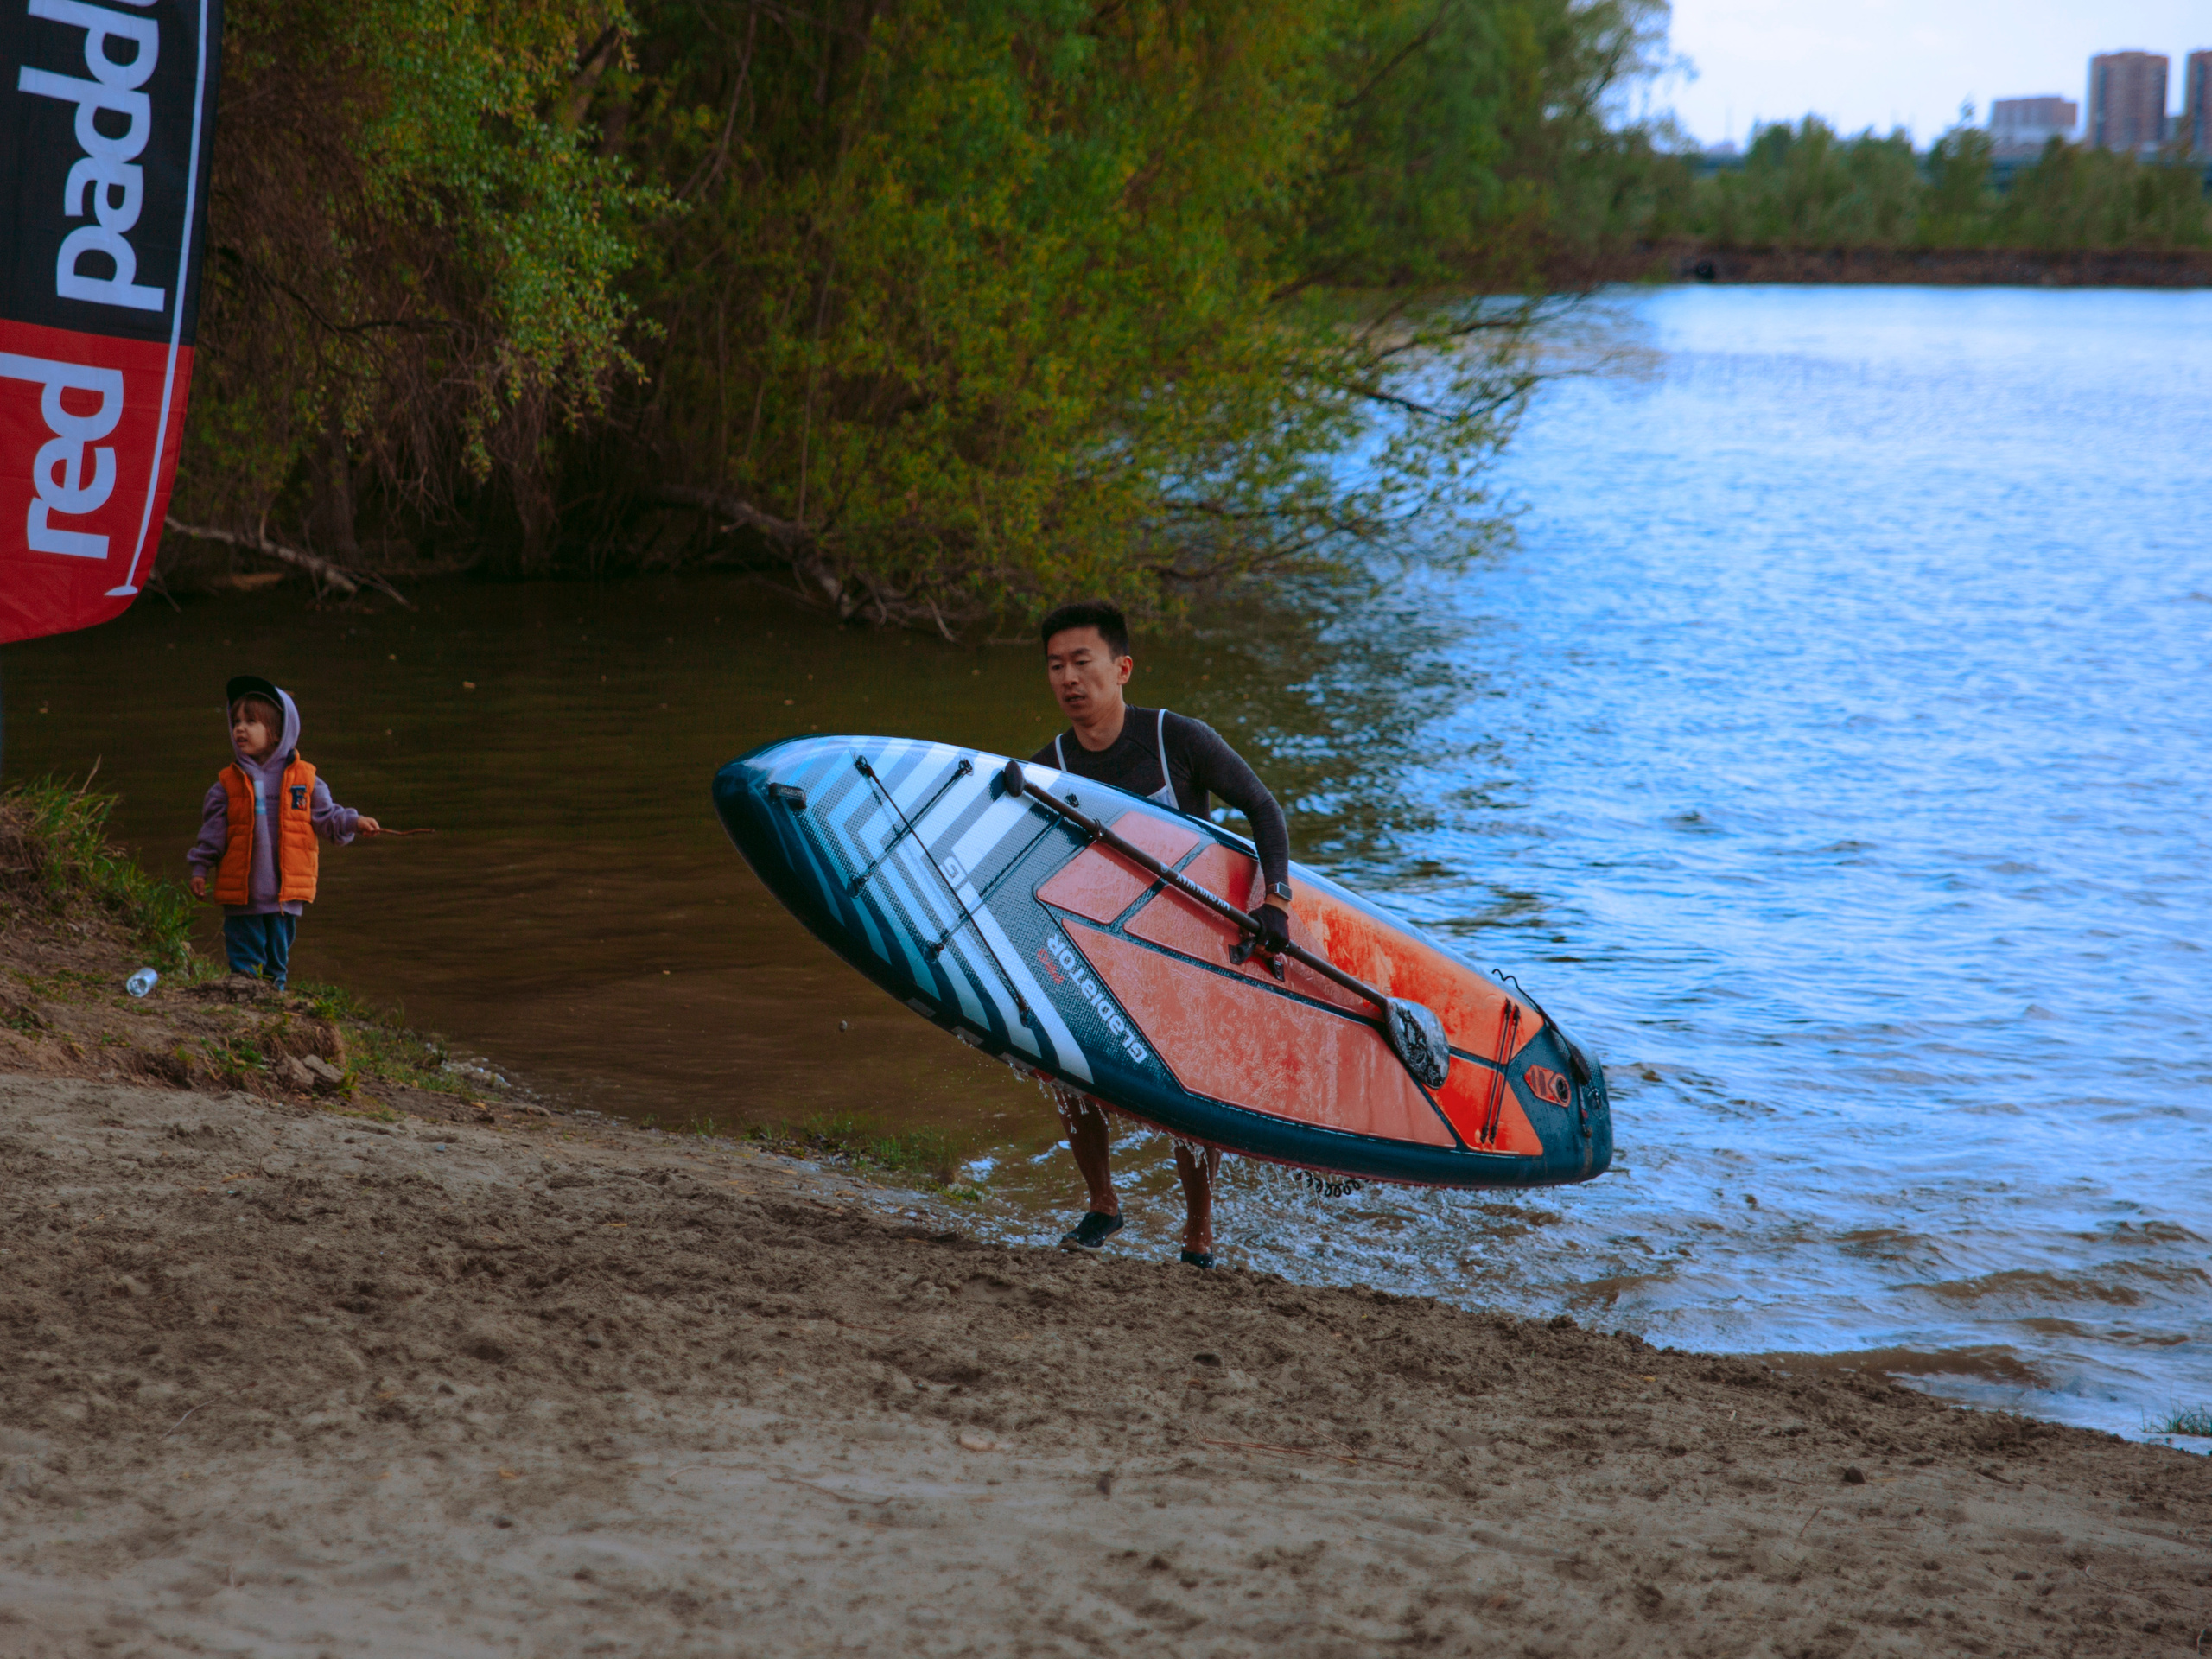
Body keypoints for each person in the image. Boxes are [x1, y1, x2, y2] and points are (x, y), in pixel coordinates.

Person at [1030, 600, 1295, 1270]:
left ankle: (1199, 1233)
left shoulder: (1179, 739)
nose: (1068, 678)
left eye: (1081, 662)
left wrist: (1276, 903)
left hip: (1186, 947)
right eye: (1055, 666)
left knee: (1190, 1092)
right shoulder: (1048, 766)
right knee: (1062, 1067)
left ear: (1121, 668)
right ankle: (1103, 1205)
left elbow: (1264, 808)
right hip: (1097, 946)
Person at [187, 676, 379, 990]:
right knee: (244, 954)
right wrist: (200, 868)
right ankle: (242, 994)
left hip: (284, 894)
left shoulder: (305, 780)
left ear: (277, 731)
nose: (240, 728)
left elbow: (326, 817)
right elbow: (212, 833)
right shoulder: (227, 784)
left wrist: (353, 822)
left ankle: (273, 996)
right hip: (243, 892)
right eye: (236, 721)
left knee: (276, 958)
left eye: (251, 721)